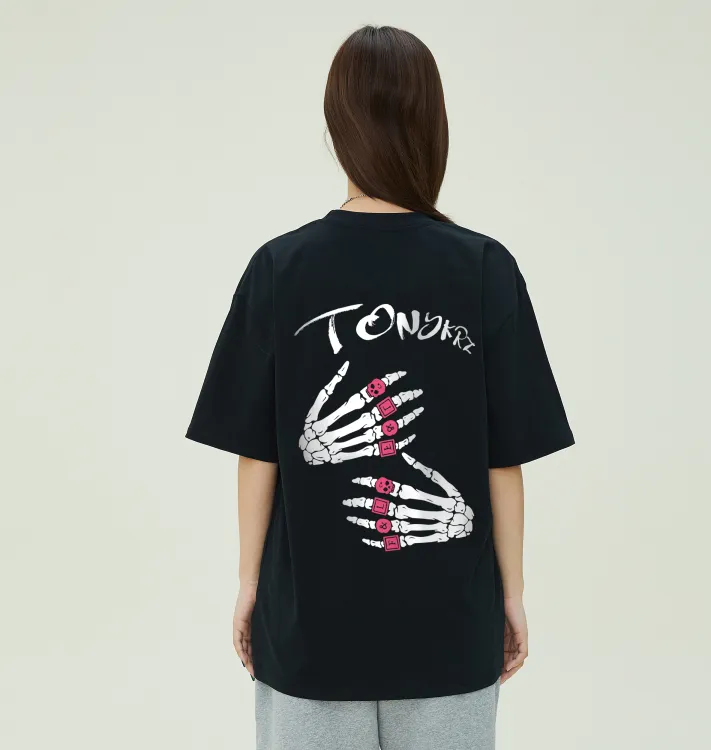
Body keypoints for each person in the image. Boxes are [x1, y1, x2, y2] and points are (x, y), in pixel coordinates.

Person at [186, 24, 574, 750]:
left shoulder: (280, 268)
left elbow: (257, 452)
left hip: (309, 630)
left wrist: (249, 585)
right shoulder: (483, 268)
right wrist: (513, 594)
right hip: (450, 628)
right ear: (434, 125)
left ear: (336, 128)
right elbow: (504, 461)